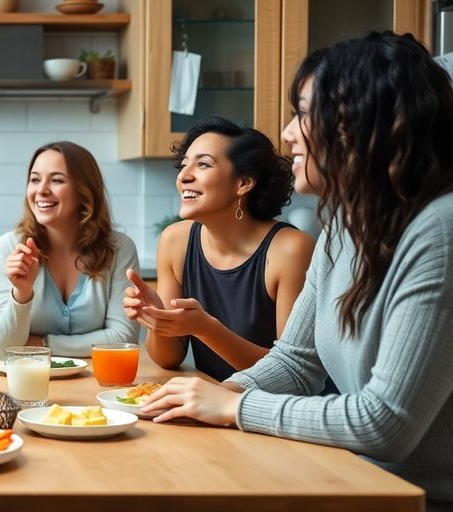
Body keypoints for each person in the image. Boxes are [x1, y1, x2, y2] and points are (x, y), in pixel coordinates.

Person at [140, 32, 453, 509]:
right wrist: (203, 399)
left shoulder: (440, 232)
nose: (287, 133)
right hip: (353, 478)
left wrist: (234, 406)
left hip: (419, 499)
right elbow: (295, 361)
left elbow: (386, 423)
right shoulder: (344, 226)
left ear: (363, 122)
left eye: (303, 114)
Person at [122, 117, 314, 381]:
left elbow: (290, 374)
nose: (184, 176)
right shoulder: (175, 241)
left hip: (275, 411)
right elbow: (169, 359)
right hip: (213, 403)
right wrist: (159, 320)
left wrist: (207, 329)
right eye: (184, 164)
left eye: (203, 164)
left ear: (244, 182)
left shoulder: (290, 249)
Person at [0, 141, 140, 357]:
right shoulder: (9, 248)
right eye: (35, 179)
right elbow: (0, 348)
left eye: (57, 180)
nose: (41, 190)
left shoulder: (120, 249)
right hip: (27, 383)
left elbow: (123, 338)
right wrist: (21, 293)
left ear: (84, 191)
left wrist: (41, 344)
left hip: (99, 382)